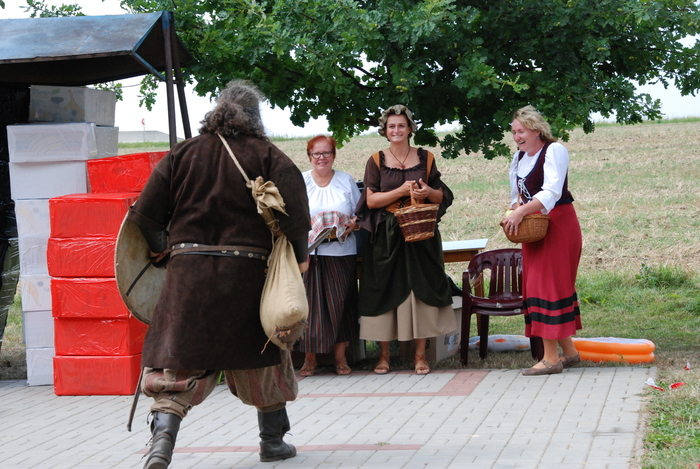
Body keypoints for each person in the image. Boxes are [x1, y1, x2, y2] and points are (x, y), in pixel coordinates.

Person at [126, 80, 311, 468]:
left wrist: (160, 246)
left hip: (187, 278)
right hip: (247, 278)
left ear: (218, 111)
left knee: (179, 363)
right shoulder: (268, 155)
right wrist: (298, 260)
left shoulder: (183, 153)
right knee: (264, 355)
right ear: (255, 118)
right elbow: (295, 215)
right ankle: (272, 442)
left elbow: (144, 213)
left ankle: (162, 442)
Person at [355, 104, 455, 375]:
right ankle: (384, 356)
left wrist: (426, 192)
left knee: (420, 289)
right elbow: (371, 200)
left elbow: (441, 196)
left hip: (420, 232)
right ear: (385, 130)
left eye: (401, 125)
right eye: (391, 126)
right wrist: (400, 191)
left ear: (410, 128)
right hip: (387, 235)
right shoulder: (376, 160)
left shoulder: (426, 158)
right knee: (384, 289)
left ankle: (420, 355)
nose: (396, 130)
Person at [502, 105, 583, 376]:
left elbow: (551, 191)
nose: (517, 137)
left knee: (550, 287)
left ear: (536, 130)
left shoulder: (554, 150)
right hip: (534, 228)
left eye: (521, 131)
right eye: (514, 132)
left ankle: (551, 359)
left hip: (558, 225)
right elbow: (516, 194)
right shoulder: (519, 158)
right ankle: (569, 352)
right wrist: (515, 210)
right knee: (537, 286)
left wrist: (522, 212)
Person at [297, 135, 361, 376]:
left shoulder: (345, 180)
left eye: (326, 153)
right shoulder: (301, 181)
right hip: (309, 254)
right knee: (309, 307)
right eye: (316, 153)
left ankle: (341, 359)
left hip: (341, 251)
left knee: (339, 304)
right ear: (309, 156)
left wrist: (352, 224)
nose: (321, 157)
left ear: (334, 155)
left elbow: (359, 214)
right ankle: (309, 360)